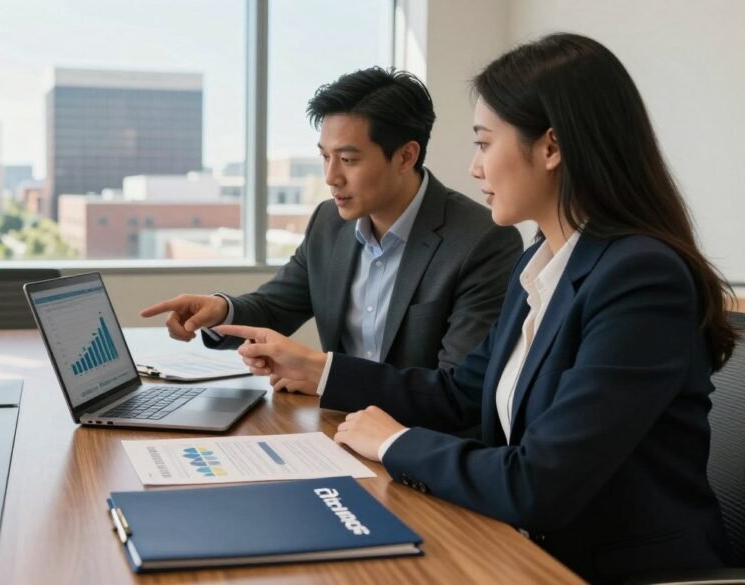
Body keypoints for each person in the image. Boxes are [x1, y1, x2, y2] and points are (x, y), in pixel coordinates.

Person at [215, 33, 736, 582]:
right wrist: (324, 372)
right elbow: (462, 394)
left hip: (609, 569)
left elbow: (540, 483)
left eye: (485, 144)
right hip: (522, 547)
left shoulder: (639, 279)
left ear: (552, 148)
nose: (474, 168)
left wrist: (394, 442)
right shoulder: (540, 264)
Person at [141, 67, 522, 398]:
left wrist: (325, 375)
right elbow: (277, 306)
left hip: (421, 443)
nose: (330, 177)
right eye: (325, 156)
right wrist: (219, 310)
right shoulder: (330, 222)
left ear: (406, 156)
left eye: (348, 160)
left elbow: (456, 389)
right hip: (338, 425)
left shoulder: (482, 240)